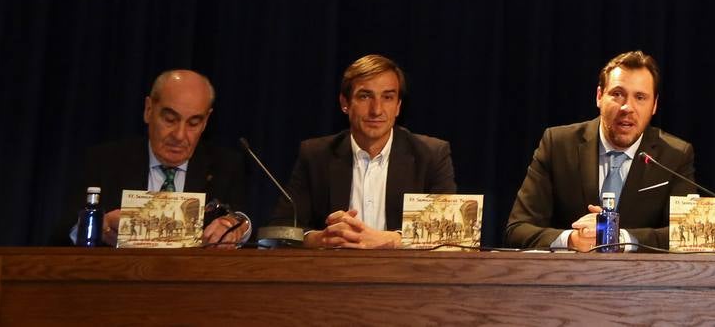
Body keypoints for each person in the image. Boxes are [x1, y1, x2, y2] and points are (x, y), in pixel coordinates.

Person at [504, 50, 696, 251]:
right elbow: (517, 229)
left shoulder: (674, 156)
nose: (627, 107)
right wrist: (572, 240)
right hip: (566, 277)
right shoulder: (558, 145)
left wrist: (618, 236)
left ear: (654, 105)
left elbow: (683, 235)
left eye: (640, 97)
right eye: (617, 94)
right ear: (599, 96)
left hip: (640, 280)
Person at [270, 54, 455, 249]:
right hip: (334, 273)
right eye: (365, 96)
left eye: (388, 97)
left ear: (398, 106)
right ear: (345, 103)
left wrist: (391, 240)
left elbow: (448, 231)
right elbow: (280, 228)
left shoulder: (431, 155)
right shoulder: (316, 155)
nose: (376, 110)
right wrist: (318, 238)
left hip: (403, 275)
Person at [60, 69, 249, 246]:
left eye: (193, 123)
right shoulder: (105, 161)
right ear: (149, 110)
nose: (179, 135)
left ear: (206, 121)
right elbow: (61, 235)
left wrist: (235, 229)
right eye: (170, 119)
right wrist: (97, 226)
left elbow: (244, 223)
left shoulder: (226, 167)